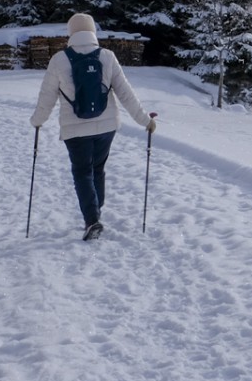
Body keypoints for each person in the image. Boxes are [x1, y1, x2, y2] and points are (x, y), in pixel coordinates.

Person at [31, 13, 157, 240]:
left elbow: (46, 97)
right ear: (92, 32)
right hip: (106, 127)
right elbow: (126, 93)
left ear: (71, 33)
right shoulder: (107, 57)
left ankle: (91, 220)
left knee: (82, 172)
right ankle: (96, 211)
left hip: (75, 128)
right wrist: (145, 121)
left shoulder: (59, 60)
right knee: (97, 168)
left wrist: (37, 121)